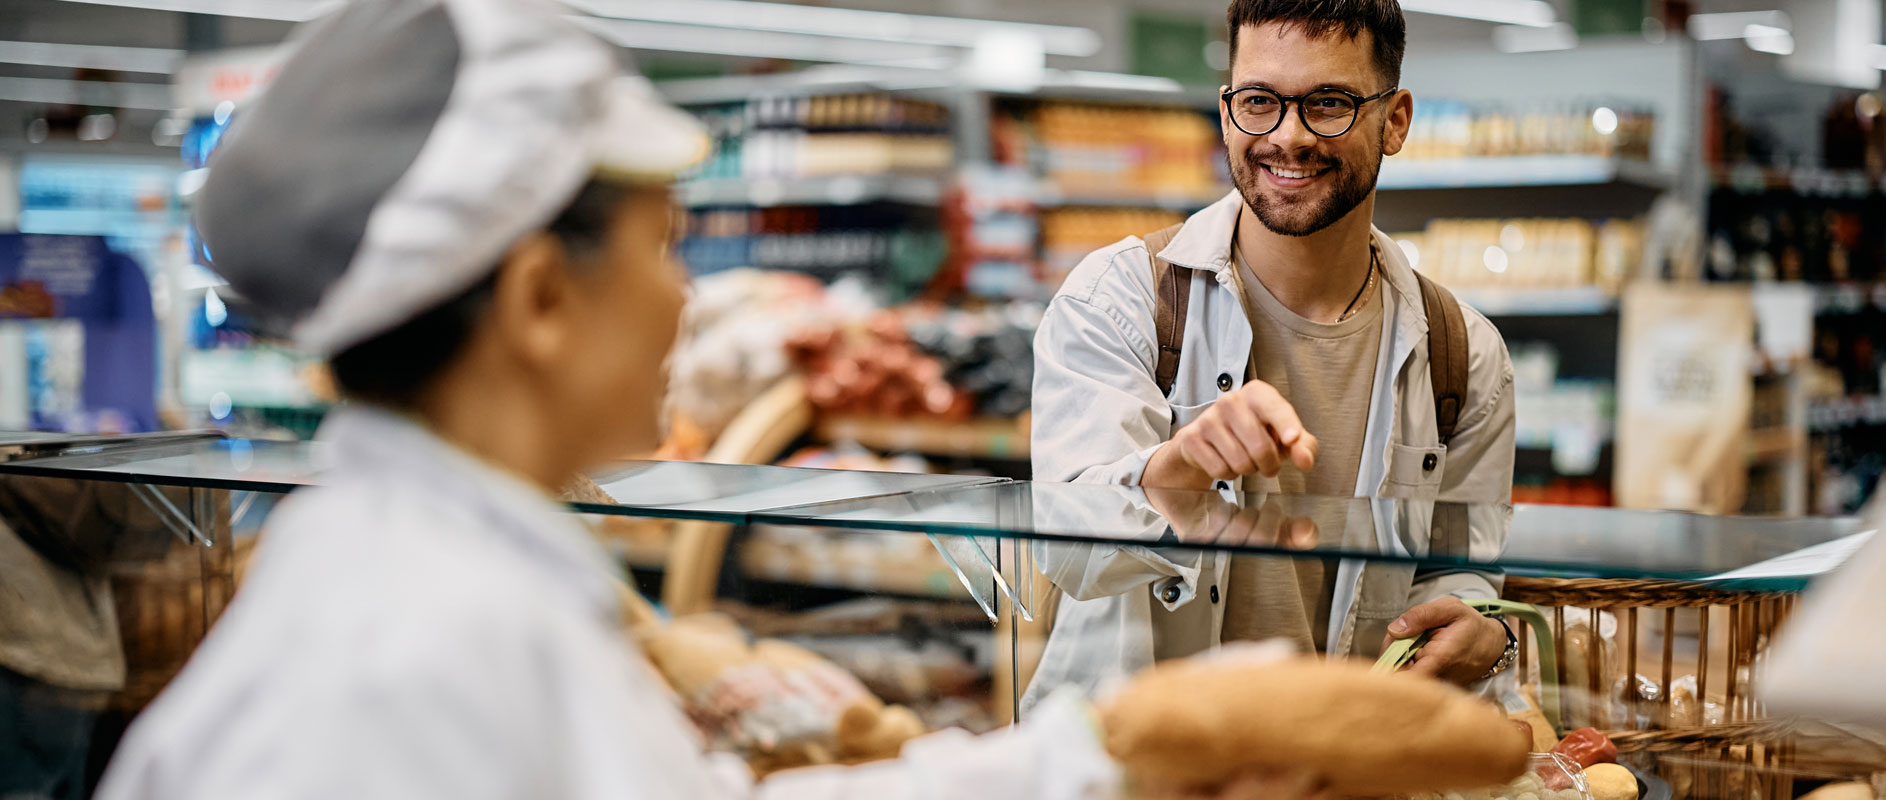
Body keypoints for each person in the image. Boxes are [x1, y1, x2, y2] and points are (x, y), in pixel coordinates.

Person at [91, 1, 1321, 798]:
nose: (685, 300)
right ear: (538, 299)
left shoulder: (426, 575)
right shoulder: (417, 647)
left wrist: (1101, 753)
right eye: (662, 246)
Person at [1029, 0, 1518, 693]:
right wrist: (1179, 466)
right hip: (1149, 768)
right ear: (1227, 111)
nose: (1288, 136)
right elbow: (1066, 555)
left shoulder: (1464, 352)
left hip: (1345, 766)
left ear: (1396, 120)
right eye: (1260, 101)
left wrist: (1483, 629)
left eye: (1329, 103)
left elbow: (1460, 569)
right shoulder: (1119, 299)